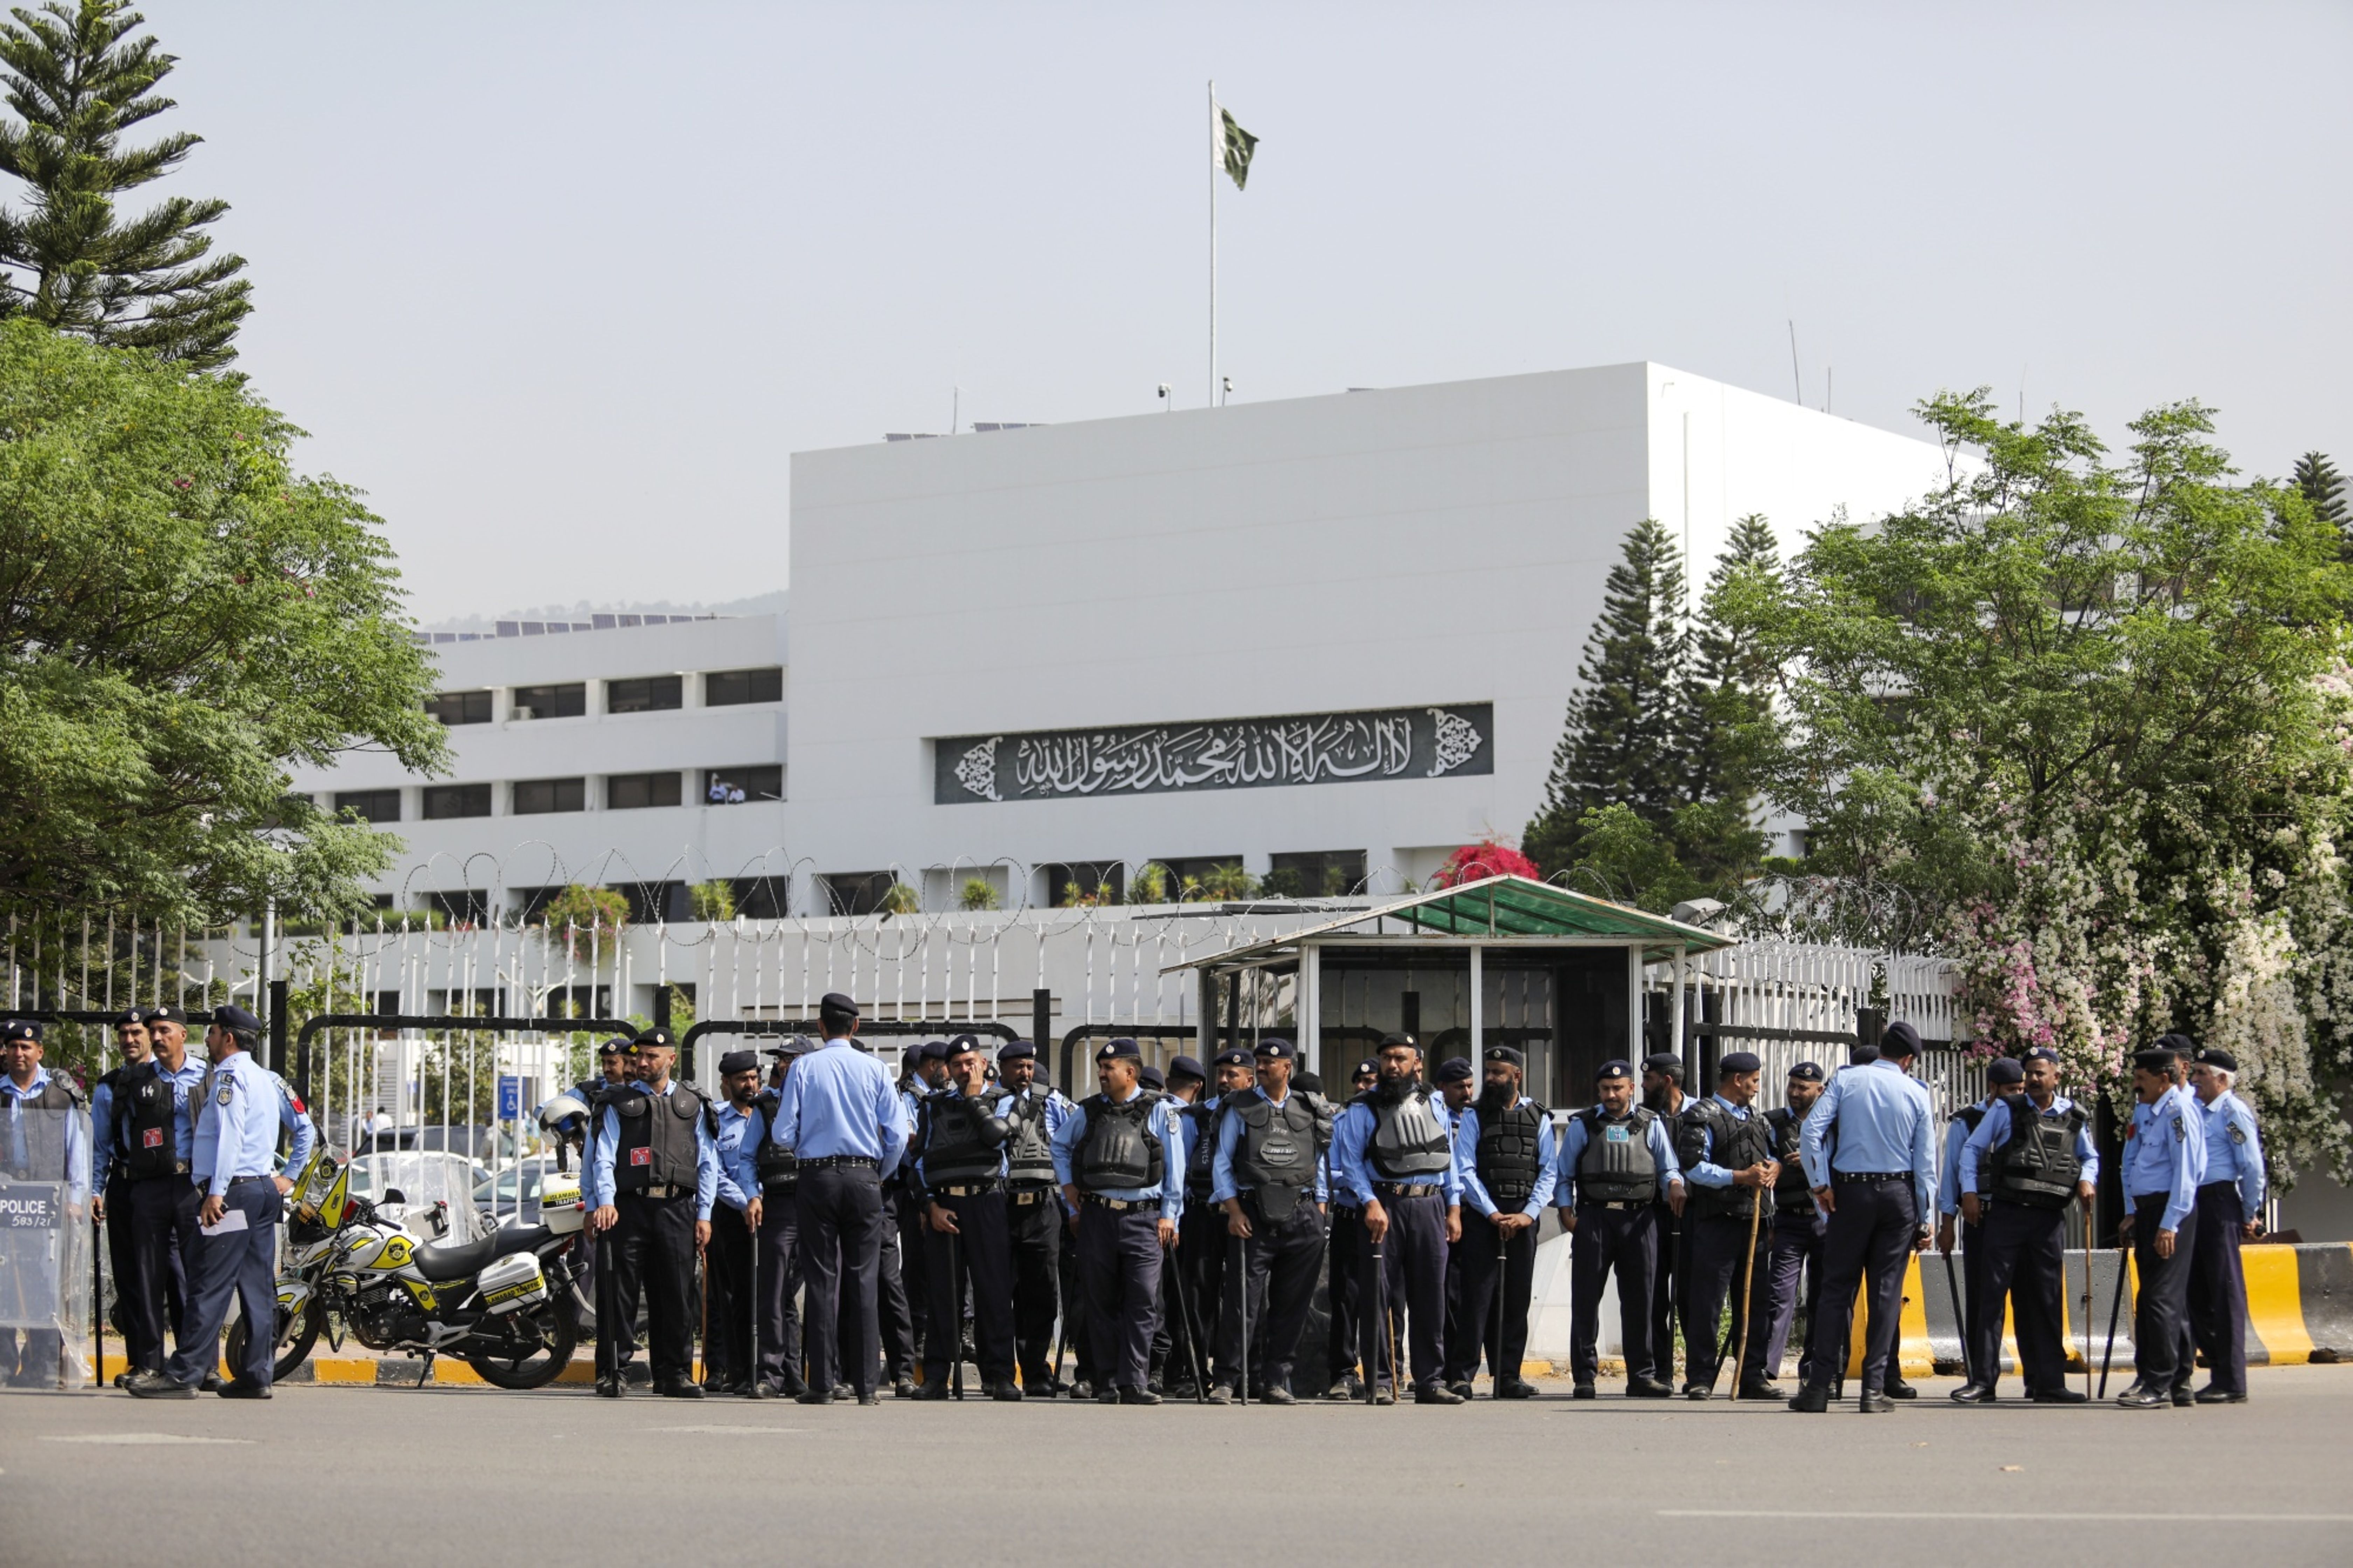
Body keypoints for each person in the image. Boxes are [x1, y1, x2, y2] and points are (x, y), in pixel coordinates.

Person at [126, 1006, 284, 1399]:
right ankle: (257, 1372)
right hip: (262, 1189)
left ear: (228, 1037)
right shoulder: (265, 1078)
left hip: (234, 1193)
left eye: (212, 1032)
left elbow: (230, 1136)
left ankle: (183, 1373)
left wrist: (217, 1191)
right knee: (258, 1286)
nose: (208, 1040)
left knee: (209, 1282)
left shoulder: (229, 1076)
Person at [1787, 1022, 1937, 1414]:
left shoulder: (1846, 1081)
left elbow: (1811, 1132)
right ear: (1908, 1059)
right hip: (1899, 1194)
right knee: (1886, 1292)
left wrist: (1820, 1183)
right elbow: (1925, 1162)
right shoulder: (1917, 1092)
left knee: (1836, 1287)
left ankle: (1819, 1387)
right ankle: (1873, 1390)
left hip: (1850, 1193)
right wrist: (1925, 1216)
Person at [769, 994, 907, 1406]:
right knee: (865, 1279)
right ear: (857, 1026)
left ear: (820, 1026)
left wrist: (805, 1146)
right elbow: (897, 1134)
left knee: (821, 1279)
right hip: (865, 1175)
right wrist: (877, 1174)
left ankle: (823, 1384)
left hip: (818, 1176)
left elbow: (781, 1132)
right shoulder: (876, 1068)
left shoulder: (804, 1067)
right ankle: (867, 1386)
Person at [1955, 1045, 2095, 1404]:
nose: (2032, 1079)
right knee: (1991, 1298)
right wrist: (1969, 1191)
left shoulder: (2075, 1116)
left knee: (2046, 1299)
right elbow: (1972, 1149)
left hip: (2048, 1220)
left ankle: (2048, 1381)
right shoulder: (2006, 1109)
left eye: (2039, 1072)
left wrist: (2086, 1180)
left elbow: (2089, 1157)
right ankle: (1983, 1381)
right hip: (2006, 1213)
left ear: (2056, 1076)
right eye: (2028, 1072)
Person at [1331, 1032, 1463, 1404]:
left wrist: (1453, 1208)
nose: (1392, 1065)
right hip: (1384, 1204)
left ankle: (1430, 1380)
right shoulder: (1362, 1108)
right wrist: (1370, 1202)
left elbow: (1447, 1157)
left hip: (1431, 1205)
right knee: (1377, 1295)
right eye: (1387, 1058)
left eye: (1400, 1058)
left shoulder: (1436, 1103)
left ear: (1417, 1063)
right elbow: (1353, 1162)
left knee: (1430, 1295)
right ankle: (1382, 1379)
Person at [1051, 1037, 1185, 1405]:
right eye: (1100, 1068)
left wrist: (1170, 1216)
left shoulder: (1160, 1110)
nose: (1101, 1073)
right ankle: (1107, 1381)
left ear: (1130, 1071)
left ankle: (1134, 1381)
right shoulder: (1090, 1110)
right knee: (1101, 1302)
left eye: (1109, 1068)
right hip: (1098, 1216)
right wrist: (1069, 1189)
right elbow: (1060, 1145)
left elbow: (1175, 1167)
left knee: (1142, 1302)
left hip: (1145, 1219)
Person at [587, 1028, 719, 1399]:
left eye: (652, 1056)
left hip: (678, 1207)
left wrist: (705, 1214)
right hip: (628, 1207)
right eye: (640, 1056)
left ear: (671, 1059)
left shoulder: (692, 1102)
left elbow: (709, 1162)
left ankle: (674, 1373)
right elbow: (604, 1156)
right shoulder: (617, 1101)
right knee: (619, 1293)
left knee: (676, 1294)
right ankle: (614, 1371)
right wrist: (606, 1201)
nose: (643, 1063)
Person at [1206, 1037, 1329, 1404]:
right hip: (1252, 1214)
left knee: (1292, 1305)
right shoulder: (1239, 1106)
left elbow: (1320, 1163)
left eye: (1268, 1063)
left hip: (1303, 1215)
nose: (1261, 1068)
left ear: (1287, 1067)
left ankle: (1276, 1380)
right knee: (1243, 1304)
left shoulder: (1310, 1107)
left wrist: (1320, 1209)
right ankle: (1226, 1380)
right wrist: (1234, 1209)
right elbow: (1223, 1162)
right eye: (1258, 1062)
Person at [1554, 1059, 1683, 1398]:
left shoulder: (1650, 1123)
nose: (1612, 1094)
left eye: (1618, 1088)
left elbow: (1668, 1166)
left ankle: (1641, 1375)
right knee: (1585, 1300)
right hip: (1594, 1218)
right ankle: (1584, 1377)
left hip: (1640, 1220)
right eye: (1606, 1089)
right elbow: (1564, 1175)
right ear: (1598, 1090)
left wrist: (1674, 1184)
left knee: (1641, 1301)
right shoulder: (1584, 1125)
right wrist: (1567, 1214)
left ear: (1632, 1088)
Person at [911, 1034, 1023, 1401]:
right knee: (944, 1296)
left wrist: (975, 1098)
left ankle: (1000, 1375)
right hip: (946, 1207)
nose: (964, 1069)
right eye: (957, 1064)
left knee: (993, 1292)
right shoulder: (934, 1105)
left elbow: (996, 1137)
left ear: (984, 1063)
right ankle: (937, 1375)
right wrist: (930, 1206)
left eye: (970, 1062)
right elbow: (919, 1163)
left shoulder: (1006, 1100)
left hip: (987, 1203)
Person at [1444, 1045, 1556, 1399]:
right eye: (1488, 1071)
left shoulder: (1540, 1117)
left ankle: (1508, 1375)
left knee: (1516, 1298)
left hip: (1523, 1218)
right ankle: (1462, 1375)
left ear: (1517, 1076)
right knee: (1475, 1298)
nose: (1491, 1078)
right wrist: (1491, 1212)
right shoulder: (1476, 1115)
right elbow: (1465, 1169)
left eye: (1498, 1072)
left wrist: (1528, 1214)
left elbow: (1549, 1171)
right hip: (1483, 1219)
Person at [1675, 1051, 1778, 1400]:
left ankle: (1753, 1375)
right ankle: (1701, 1377)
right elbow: (1692, 1167)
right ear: (1737, 1079)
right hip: (1717, 1222)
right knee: (1708, 1304)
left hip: (1756, 1223)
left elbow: (1773, 1155)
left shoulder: (1760, 1121)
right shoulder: (1703, 1116)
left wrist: (1773, 1168)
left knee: (1756, 1303)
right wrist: (1740, 1176)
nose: (1756, 1088)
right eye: (1754, 1081)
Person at [2115, 1038, 2207, 1409]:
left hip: (2173, 1212)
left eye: (2142, 1078)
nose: (2136, 1085)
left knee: (2160, 1299)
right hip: (2149, 1209)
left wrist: (2169, 1225)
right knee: (2160, 1298)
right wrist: (2132, 1210)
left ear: (2164, 1078)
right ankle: (2179, 1380)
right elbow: (2132, 1162)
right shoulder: (2149, 1110)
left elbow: (2188, 1173)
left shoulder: (2179, 1112)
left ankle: (2160, 1382)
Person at [0, 1020, 89, 1387]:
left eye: (26, 1047)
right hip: (6, 1199)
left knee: (46, 1281)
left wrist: (76, 1198)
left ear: (40, 1051)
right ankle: (5, 1363)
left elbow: (76, 1147)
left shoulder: (59, 1093)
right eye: (13, 1047)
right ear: (4, 1051)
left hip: (49, 1200)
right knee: (5, 1280)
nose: (19, 1053)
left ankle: (44, 1363)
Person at [1742, 1061, 1826, 1398]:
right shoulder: (1773, 1122)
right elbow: (1761, 1159)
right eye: (1792, 1086)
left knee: (1823, 1297)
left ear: (1819, 1090)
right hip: (1788, 1219)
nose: (1795, 1092)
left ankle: (1817, 1369)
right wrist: (1775, 1163)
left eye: (1803, 1088)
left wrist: (1812, 1158)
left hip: (1824, 1220)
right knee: (1779, 1295)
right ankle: (1766, 1368)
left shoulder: (1831, 1122)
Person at [735, 1036, 813, 1397]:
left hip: (815, 1200)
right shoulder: (766, 1105)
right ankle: (772, 1372)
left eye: (793, 1058)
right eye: (781, 1059)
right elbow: (747, 1156)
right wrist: (753, 1193)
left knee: (814, 1292)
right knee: (774, 1290)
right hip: (778, 1204)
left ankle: (800, 1370)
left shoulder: (820, 1097)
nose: (785, 1064)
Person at [1937, 1057, 2020, 1395]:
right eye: (2010, 1090)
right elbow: (1951, 1175)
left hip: (2019, 1215)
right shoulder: (1967, 1121)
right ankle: (1982, 1377)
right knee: (1983, 1298)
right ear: (1993, 1088)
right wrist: (1947, 1225)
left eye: (2020, 1088)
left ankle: (2044, 1381)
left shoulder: (2028, 1115)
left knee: (2030, 1297)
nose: (2016, 1095)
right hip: (1980, 1216)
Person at [2186, 1046, 2263, 1404]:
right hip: (2195, 1201)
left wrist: (2250, 1212)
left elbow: (2251, 1166)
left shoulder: (2232, 1112)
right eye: (2195, 1072)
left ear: (2221, 1079)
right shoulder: (2198, 1110)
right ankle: (2217, 1368)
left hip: (2219, 1201)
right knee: (2196, 1290)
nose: (2195, 1078)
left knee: (2224, 1290)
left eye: (2202, 1072)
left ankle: (2233, 1380)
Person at [994, 1039, 1069, 1396]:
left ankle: (1037, 1370)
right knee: (997, 1294)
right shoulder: (989, 1102)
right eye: (1017, 1066)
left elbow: (1070, 1147)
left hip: (1043, 1207)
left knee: (1041, 1293)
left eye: (1029, 1066)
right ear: (1001, 1067)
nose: (1024, 1073)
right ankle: (1000, 1374)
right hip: (999, 1206)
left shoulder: (1054, 1102)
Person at [1178, 1045, 1249, 1395]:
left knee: (1243, 1297)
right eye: (1220, 1074)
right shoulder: (1197, 1115)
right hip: (1203, 1213)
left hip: (1245, 1218)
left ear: (1250, 1077)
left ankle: (1239, 1374)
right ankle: (1196, 1374)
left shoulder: (1259, 1112)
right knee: (1198, 1295)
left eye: (1232, 1074)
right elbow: (1184, 1167)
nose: (1223, 1080)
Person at [705, 1049, 765, 1393]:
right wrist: (746, 1202)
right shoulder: (716, 1118)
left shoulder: (769, 1114)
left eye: (754, 1077)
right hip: (731, 1215)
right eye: (743, 1078)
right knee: (732, 1298)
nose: (751, 1084)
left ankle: (769, 1368)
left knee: (768, 1296)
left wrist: (760, 1200)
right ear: (727, 1083)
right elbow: (713, 1171)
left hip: (767, 1214)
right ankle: (737, 1369)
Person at [1322, 1056, 1378, 1398]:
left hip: (1386, 1219)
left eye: (1370, 1081)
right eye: (1358, 1080)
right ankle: (1343, 1372)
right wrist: (1365, 1184)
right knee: (1344, 1299)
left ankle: (1383, 1372)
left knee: (1385, 1298)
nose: (1362, 1086)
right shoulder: (1339, 1122)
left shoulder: (1393, 1120)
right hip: (1349, 1216)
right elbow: (1331, 1171)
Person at [1639, 1051, 1692, 1387]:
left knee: (1690, 1297)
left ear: (1667, 1081)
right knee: (1655, 1296)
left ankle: (1697, 1373)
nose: (1644, 1086)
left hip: (1691, 1218)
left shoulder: (1702, 1113)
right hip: (1652, 1215)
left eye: (1649, 1080)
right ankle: (1662, 1371)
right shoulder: (1642, 1117)